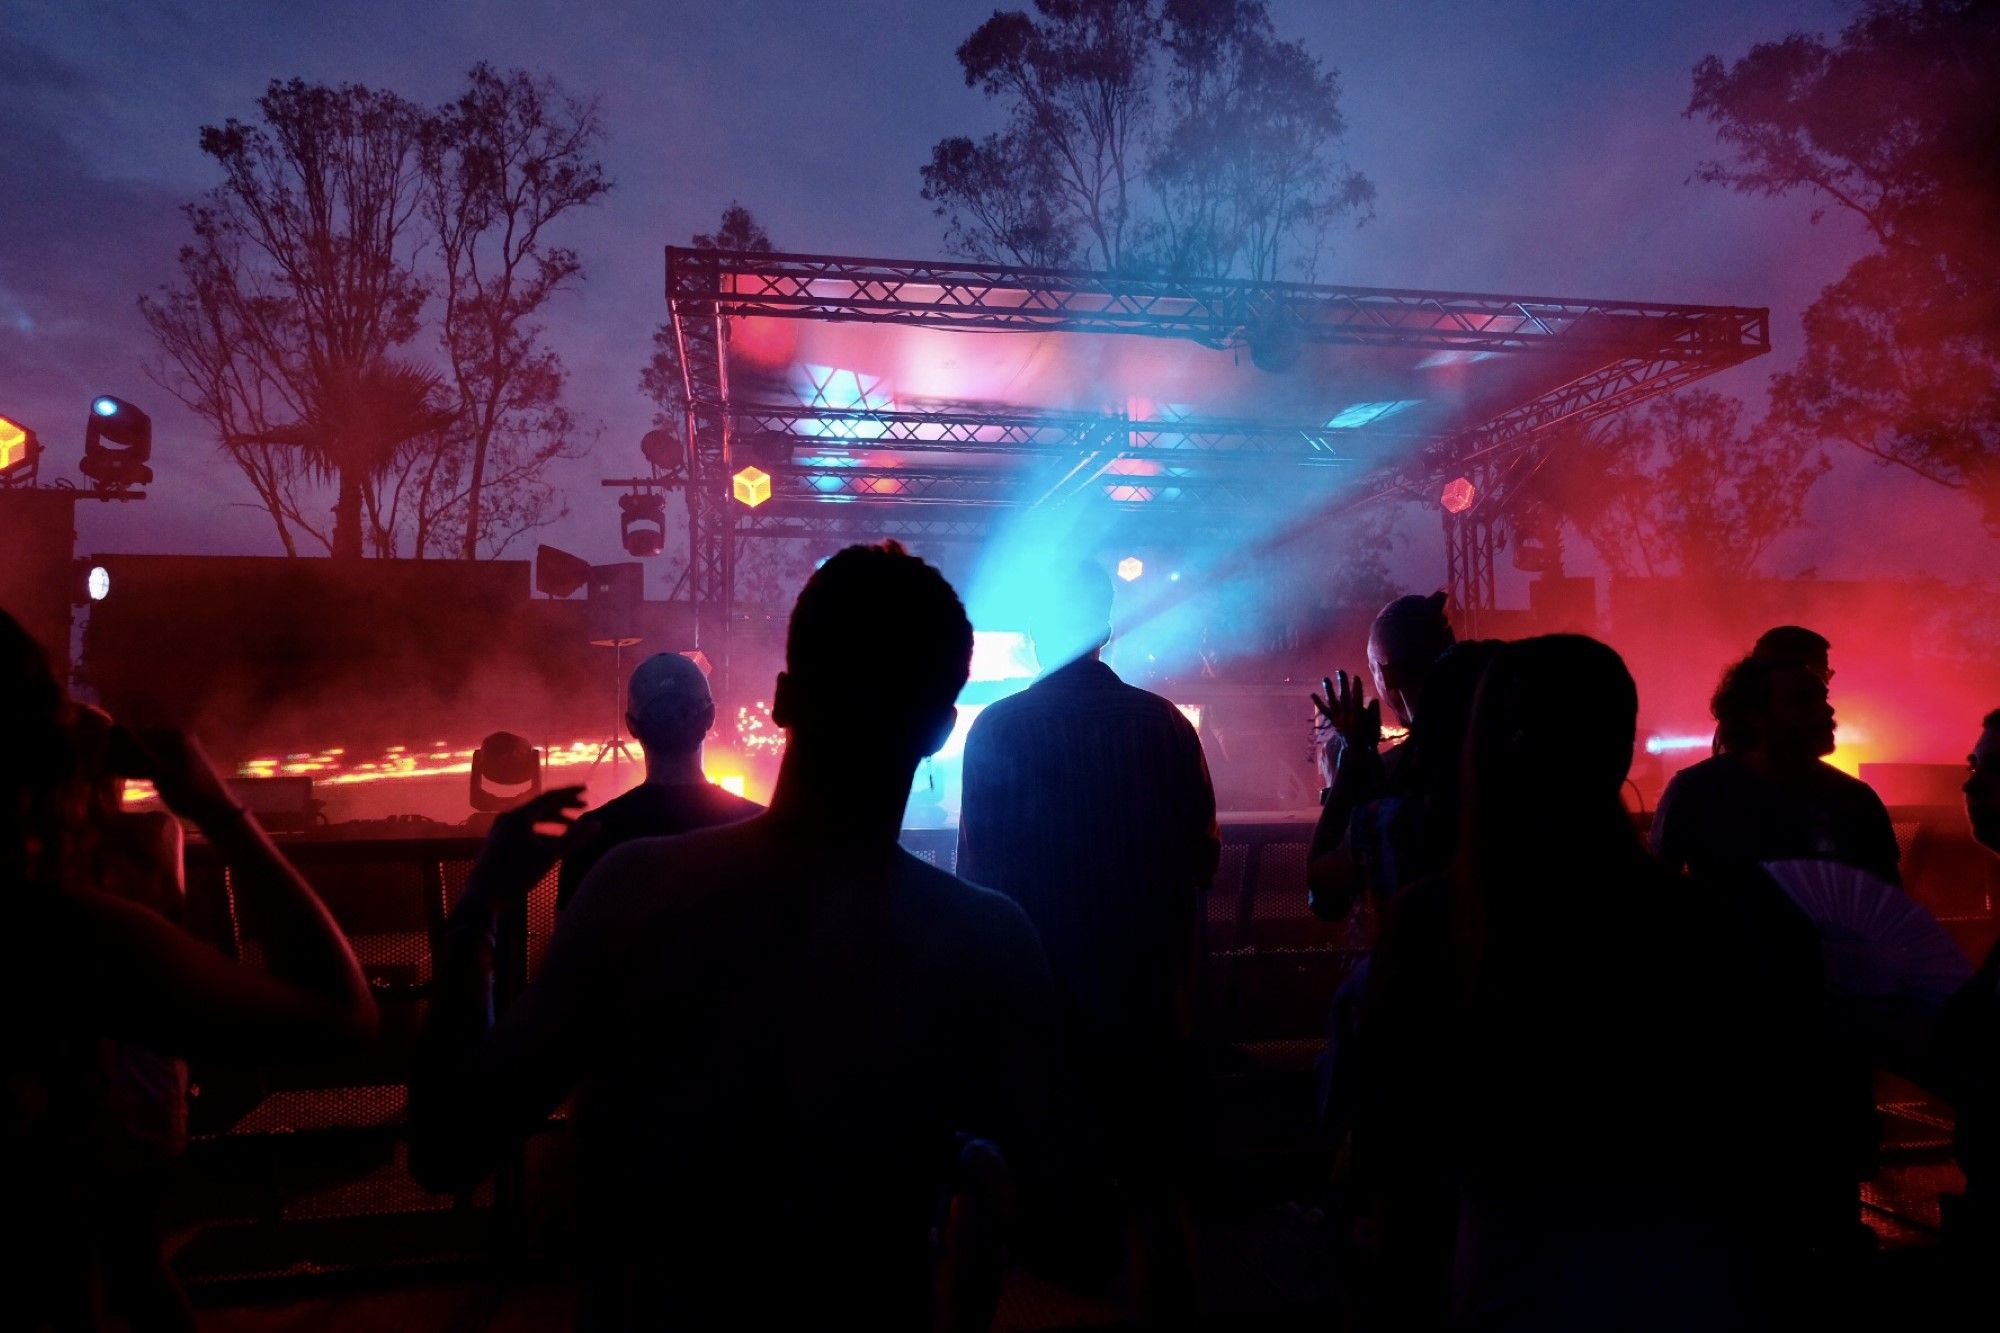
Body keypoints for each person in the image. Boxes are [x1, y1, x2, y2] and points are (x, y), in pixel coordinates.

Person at [409, 543, 1112, 1330]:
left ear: (781, 698)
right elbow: (1077, 1231)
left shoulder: (637, 890)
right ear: (941, 730)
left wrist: (477, 910)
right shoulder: (985, 940)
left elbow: (447, 1146)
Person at [1353, 635, 1826, 1331]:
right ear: (1619, 750)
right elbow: (1756, 1135)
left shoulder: (1437, 924)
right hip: (1682, 1285)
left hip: (1509, 1287)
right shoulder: (1697, 922)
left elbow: (1396, 1164)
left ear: (1481, 752)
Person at [0, 608, 378, 1328]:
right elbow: (339, 1013)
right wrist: (221, 809)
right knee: (126, 1254)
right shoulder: (64, 935)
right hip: (102, 1151)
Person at [957, 560, 1218, 1324]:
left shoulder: (998, 728)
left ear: (1035, 635)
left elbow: (978, 878)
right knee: (1155, 1196)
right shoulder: (1164, 725)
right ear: (1108, 627)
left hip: (1036, 1009)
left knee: (990, 1180)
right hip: (1145, 1007)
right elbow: (1202, 859)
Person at [1653, 652, 1901, 885]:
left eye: (1823, 697)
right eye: (1804, 700)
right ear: (1755, 715)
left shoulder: (1856, 800)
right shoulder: (1695, 792)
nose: (1827, 709)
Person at [556, 651, 760, 908]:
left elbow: (570, 942)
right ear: (710, 717)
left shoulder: (592, 834)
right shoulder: (758, 828)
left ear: (631, 725)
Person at [1307, 592, 1455, 923]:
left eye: (1374, 668)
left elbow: (1324, 895)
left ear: (1385, 676)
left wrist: (1350, 761)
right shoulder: (1498, 750)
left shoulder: (1399, 774)